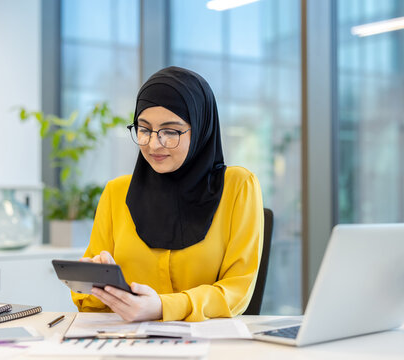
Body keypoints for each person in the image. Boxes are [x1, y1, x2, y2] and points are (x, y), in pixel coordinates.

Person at [72, 66, 263, 322]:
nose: (153, 144)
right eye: (144, 129)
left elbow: (238, 290)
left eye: (170, 131)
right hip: (131, 345)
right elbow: (92, 308)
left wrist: (164, 307)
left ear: (201, 129)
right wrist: (95, 283)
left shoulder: (239, 187)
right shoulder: (116, 193)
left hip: (209, 346)